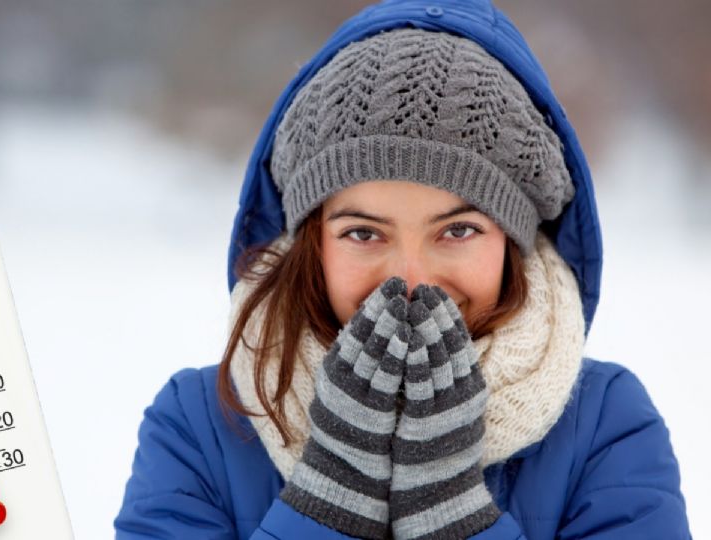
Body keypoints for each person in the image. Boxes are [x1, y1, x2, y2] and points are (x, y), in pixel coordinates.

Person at [114, 0, 692, 538]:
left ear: (513, 243)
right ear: (311, 245)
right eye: (364, 234)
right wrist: (329, 502)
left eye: (457, 231)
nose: (412, 281)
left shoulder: (604, 426)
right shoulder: (199, 426)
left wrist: (455, 517)